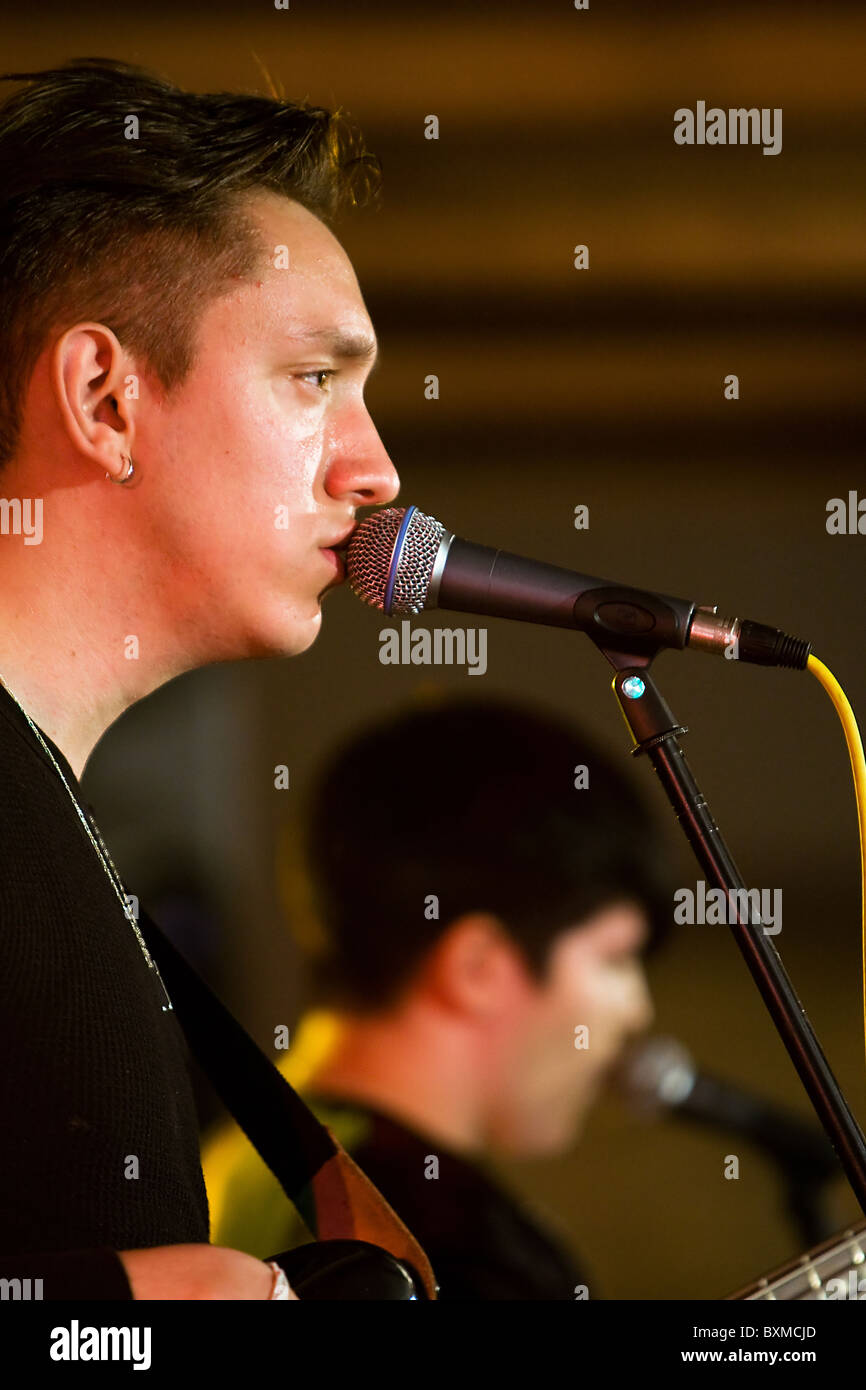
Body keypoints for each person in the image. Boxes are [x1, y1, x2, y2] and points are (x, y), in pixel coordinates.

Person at [0, 57, 399, 1299]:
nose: (375, 469)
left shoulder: (54, 820)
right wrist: (133, 1305)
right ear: (107, 400)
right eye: (312, 379)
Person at [204, 696, 672, 1298]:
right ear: (477, 967)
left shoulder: (227, 1163)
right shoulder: (446, 1242)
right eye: (614, 957)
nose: (638, 1009)